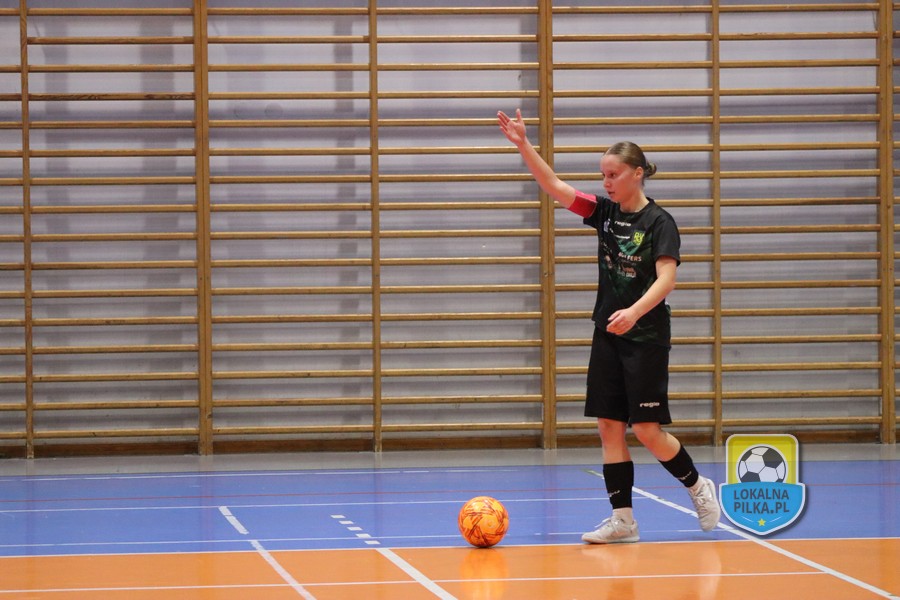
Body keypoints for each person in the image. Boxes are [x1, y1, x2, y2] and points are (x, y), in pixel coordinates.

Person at [497, 108, 720, 543]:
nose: (607, 182)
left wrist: (634, 312)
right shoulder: (604, 213)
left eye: (613, 175)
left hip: (646, 338)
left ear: (637, 174)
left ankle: (697, 485)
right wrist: (524, 144)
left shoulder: (660, 223)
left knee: (648, 431)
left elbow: (667, 279)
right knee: (608, 427)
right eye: (603, 175)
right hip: (608, 336)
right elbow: (554, 186)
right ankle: (624, 520)